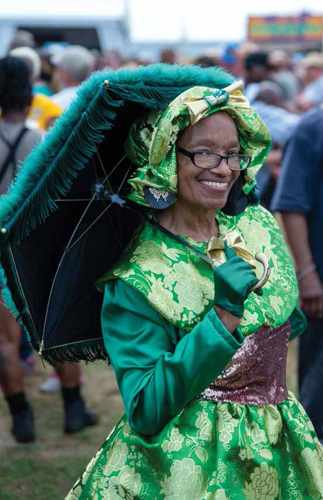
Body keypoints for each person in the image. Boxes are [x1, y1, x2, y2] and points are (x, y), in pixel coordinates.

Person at [66, 80, 323, 498]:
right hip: (185, 468)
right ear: (166, 156)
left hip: (279, 444)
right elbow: (146, 409)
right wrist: (221, 317)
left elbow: (283, 327)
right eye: (204, 152)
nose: (223, 168)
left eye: (233, 153)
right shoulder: (138, 276)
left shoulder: (257, 228)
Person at [0, 56, 98, 442]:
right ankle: (74, 409)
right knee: (54, 330)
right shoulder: (42, 143)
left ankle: (22, 420)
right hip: (35, 250)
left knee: (5, 342)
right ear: (29, 97)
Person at [271, 106, 323, 445]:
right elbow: (291, 204)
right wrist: (306, 273)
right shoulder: (312, 128)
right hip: (322, 281)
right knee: (320, 387)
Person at [51, 45, 96, 110]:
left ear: (65, 73)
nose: (57, 73)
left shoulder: (53, 103)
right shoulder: (100, 99)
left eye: (59, 69)